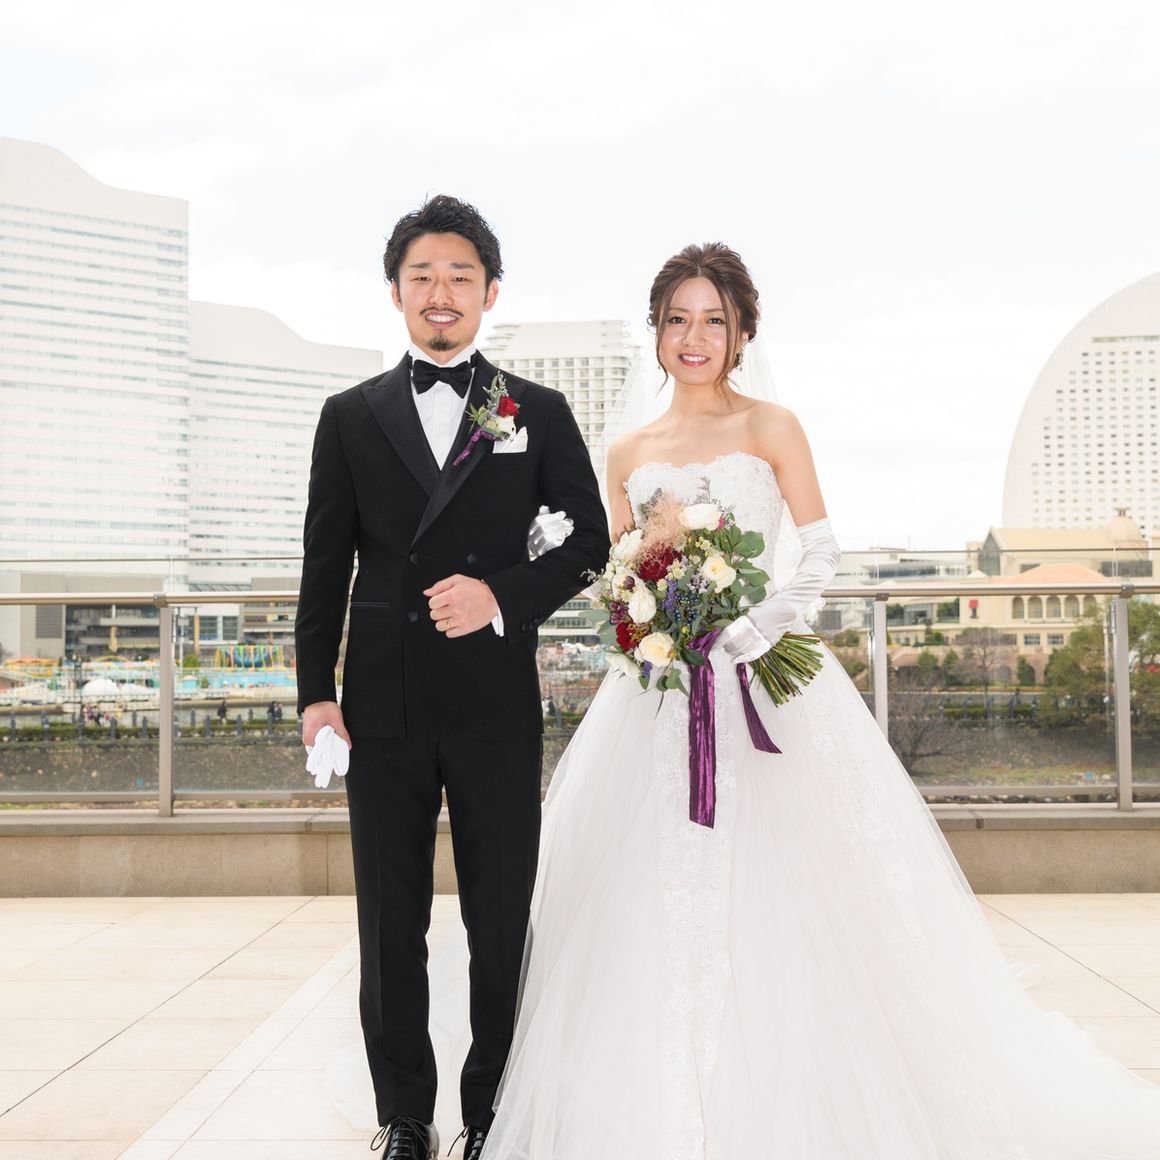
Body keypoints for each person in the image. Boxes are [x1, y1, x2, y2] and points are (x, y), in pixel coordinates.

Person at [479, 244, 1160, 1158]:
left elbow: (822, 550)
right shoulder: (628, 451)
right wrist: (648, 624)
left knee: (800, 899)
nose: (694, 337)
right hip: (660, 695)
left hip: (765, 681)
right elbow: (622, 565)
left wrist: (750, 628)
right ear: (657, 332)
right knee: (633, 899)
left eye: (714, 320)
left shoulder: (773, 427)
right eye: (677, 319)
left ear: (742, 333)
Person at [294, 195, 607, 1160]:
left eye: (460, 276)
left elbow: (590, 545)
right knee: (390, 921)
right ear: (394, 292)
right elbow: (323, 567)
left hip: (492, 697)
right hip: (380, 701)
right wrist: (315, 694)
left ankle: (493, 1112)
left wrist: (499, 594)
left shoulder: (535, 411)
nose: (442, 292)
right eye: (422, 276)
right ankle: (404, 1117)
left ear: (490, 293)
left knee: (498, 916)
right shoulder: (349, 416)